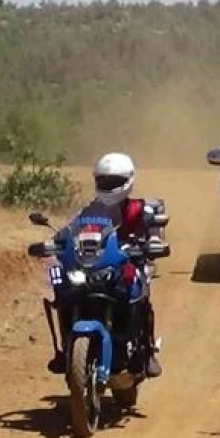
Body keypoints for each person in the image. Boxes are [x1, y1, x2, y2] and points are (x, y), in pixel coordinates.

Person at [47, 152, 166, 378]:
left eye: (115, 181)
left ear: (128, 180)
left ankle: (146, 352)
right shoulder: (91, 210)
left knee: (139, 291)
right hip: (96, 263)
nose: (109, 186)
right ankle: (65, 350)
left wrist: (153, 243)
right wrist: (54, 242)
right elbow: (70, 230)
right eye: (104, 181)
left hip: (128, 263)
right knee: (61, 284)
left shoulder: (142, 210)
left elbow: (154, 232)